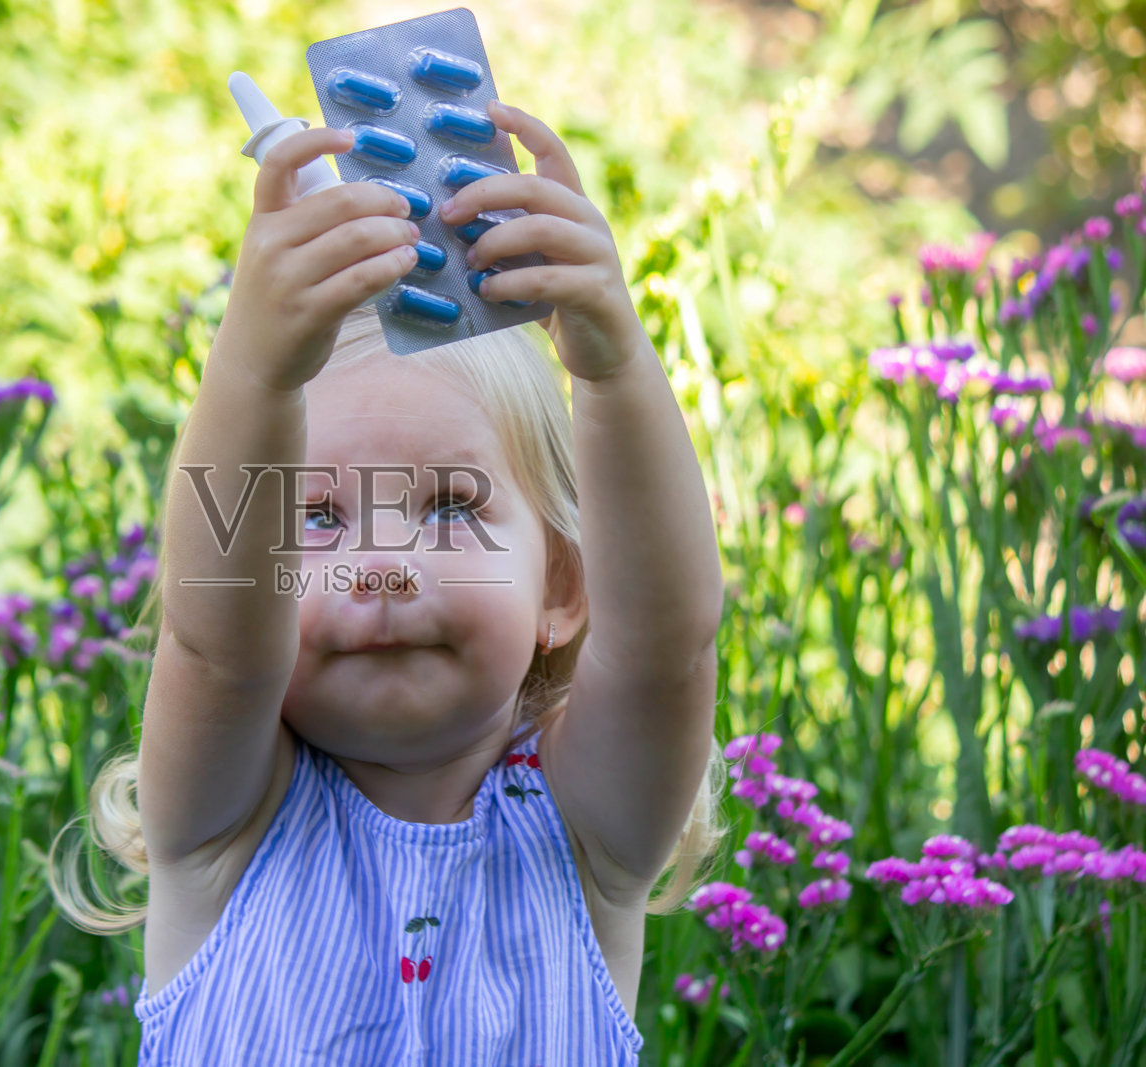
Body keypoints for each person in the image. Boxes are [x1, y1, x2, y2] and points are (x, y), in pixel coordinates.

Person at [52, 98, 728, 1065]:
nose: (385, 563)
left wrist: (614, 366)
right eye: (318, 518)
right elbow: (215, 641)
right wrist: (253, 372)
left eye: (452, 505)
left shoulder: (591, 827)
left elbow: (667, 645)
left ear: (563, 585)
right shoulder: (225, 821)